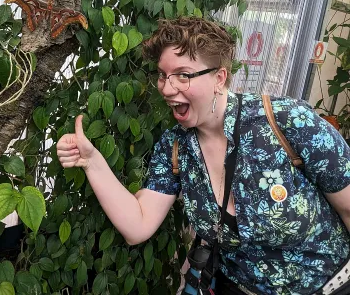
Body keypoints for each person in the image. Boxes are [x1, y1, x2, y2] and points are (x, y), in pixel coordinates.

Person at [57, 17, 350, 295]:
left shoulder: (288, 122)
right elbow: (138, 224)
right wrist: (92, 161)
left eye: (183, 75)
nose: (167, 88)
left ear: (219, 78)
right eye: (163, 75)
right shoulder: (175, 147)